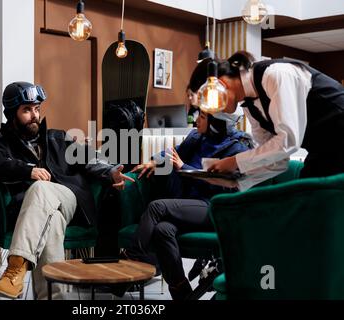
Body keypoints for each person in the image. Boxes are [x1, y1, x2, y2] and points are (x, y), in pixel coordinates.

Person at [0, 82, 134, 299]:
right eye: (27, 110)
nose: (34, 115)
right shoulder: (1, 145)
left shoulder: (57, 137)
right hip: (34, 214)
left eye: (37, 109)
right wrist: (28, 170)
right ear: (12, 113)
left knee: (42, 188)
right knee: (52, 224)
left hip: (67, 199)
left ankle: (15, 268)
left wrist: (110, 171)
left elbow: (87, 157)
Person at [124, 107, 253, 300]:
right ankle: (182, 291)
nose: (196, 121)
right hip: (189, 204)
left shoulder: (239, 147)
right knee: (163, 230)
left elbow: (227, 185)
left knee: (156, 207)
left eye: (202, 117)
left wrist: (184, 168)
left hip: (214, 206)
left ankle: (129, 264)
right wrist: (154, 161)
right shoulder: (197, 136)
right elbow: (173, 152)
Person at [189, 51, 344, 190]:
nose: (214, 110)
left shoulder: (276, 75)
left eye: (210, 99)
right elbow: (277, 161)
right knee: (305, 201)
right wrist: (237, 181)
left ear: (220, 83)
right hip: (323, 151)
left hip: (338, 139)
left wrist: (234, 161)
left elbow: (288, 142)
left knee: (313, 204)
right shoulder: (249, 106)